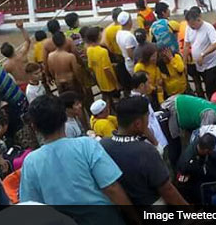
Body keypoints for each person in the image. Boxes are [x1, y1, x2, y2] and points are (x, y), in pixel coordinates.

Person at [19, 95, 133, 223]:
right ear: (64, 118)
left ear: (34, 126)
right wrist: (134, 217)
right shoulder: (86, 145)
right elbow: (111, 188)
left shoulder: (30, 162)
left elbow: (31, 207)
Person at [101, 96, 189, 205]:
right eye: (147, 117)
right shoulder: (145, 151)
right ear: (137, 123)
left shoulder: (104, 145)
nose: (148, 122)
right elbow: (167, 190)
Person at [176, 133, 216, 204]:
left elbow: (212, 158)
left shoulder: (200, 143)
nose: (214, 149)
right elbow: (205, 172)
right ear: (206, 150)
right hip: (190, 182)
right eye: (212, 148)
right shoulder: (189, 163)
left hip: (199, 170)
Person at [183, 8, 216, 98]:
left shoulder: (208, 27)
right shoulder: (189, 28)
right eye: (189, 25)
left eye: (193, 24)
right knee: (202, 85)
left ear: (198, 19)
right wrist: (184, 63)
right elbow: (186, 45)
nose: (191, 27)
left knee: (211, 89)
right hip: (199, 66)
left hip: (212, 65)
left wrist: (203, 54)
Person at [130, 72, 168, 150]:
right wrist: (156, 144)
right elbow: (144, 127)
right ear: (142, 85)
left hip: (158, 136)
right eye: (148, 83)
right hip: (153, 143)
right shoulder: (137, 103)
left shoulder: (143, 97)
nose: (150, 86)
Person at [86, 27, 120, 106]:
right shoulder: (103, 51)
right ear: (98, 36)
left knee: (106, 99)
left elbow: (91, 67)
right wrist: (116, 83)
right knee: (113, 101)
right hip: (109, 82)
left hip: (100, 81)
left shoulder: (89, 50)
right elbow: (107, 70)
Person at [1, 20, 32, 90]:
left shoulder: (5, 65)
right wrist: (21, 28)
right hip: (31, 82)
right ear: (13, 49)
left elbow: (3, 79)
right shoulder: (22, 54)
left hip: (20, 86)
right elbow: (27, 41)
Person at [134, 43, 165, 108]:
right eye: (153, 56)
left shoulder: (155, 66)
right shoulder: (139, 66)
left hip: (154, 94)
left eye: (156, 56)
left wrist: (161, 101)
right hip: (144, 94)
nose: (155, 58)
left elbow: (159, 84)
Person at [115, 10, 137, 76]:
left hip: (127, 61)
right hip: (133, 63)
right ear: (129, 21)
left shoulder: (119, 33)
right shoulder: (128, 36)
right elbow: (130, 54)